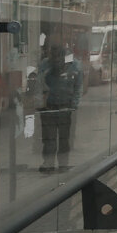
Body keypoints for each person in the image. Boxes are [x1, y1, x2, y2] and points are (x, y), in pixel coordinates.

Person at [38, 44, 79, 173]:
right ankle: (49, 163)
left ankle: (62, 164)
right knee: (49, 138)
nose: (56, 60)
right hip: (49, 107)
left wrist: (74, 104)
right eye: (53, 56)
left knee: (63, 139)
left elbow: (78, 86)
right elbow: (39, 83)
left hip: (65, 107)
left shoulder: (73, 65)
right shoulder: (45, 64)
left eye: (58, 57)